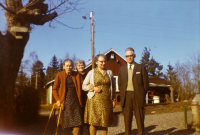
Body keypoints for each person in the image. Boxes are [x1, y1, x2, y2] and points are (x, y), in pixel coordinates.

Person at [82, 54, 116, 135]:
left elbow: (113, 87)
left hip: (106, 101)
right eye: (101, 61)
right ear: (96, 62)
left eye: (104, 61)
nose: (103, 63)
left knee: (105, 122)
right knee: (93, 122)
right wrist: (93, 88)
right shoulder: (91, 72)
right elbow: (83, 86)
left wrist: (113, 99)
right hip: (94, 100)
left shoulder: (109, 72)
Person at [118, 47, 149, 135]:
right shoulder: (121, 69)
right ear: (125, 57)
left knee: (140, 122)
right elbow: (119, 83)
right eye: (127, 56)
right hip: (126, 97)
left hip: (138, 96)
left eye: (131, 56)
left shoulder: (141, 67)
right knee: (127, 123)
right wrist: (124, 94)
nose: (129, 58)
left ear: (134, 55)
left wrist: (142, 94)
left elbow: (146, 84)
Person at [52, 59, 83, 135]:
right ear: (63, 67)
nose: (69, 67)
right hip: (65, 103)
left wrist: (91, 85)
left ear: (72, 66)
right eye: (67, 66)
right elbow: (54, 89)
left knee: (77, 122)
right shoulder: (60, 74)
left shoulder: (77, 74)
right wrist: (58, 100)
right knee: (69, 123)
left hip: (76, 101)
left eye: (70, 66)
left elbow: (84, 83)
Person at [75, 60, 90, 135]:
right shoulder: (75, 75)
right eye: (79, 65)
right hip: (78, 98)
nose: (81, 66)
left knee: (88, 118)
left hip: (88, 97)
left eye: (82, 65)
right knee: (80, 119)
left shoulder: (89, 73)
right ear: (76, 67)